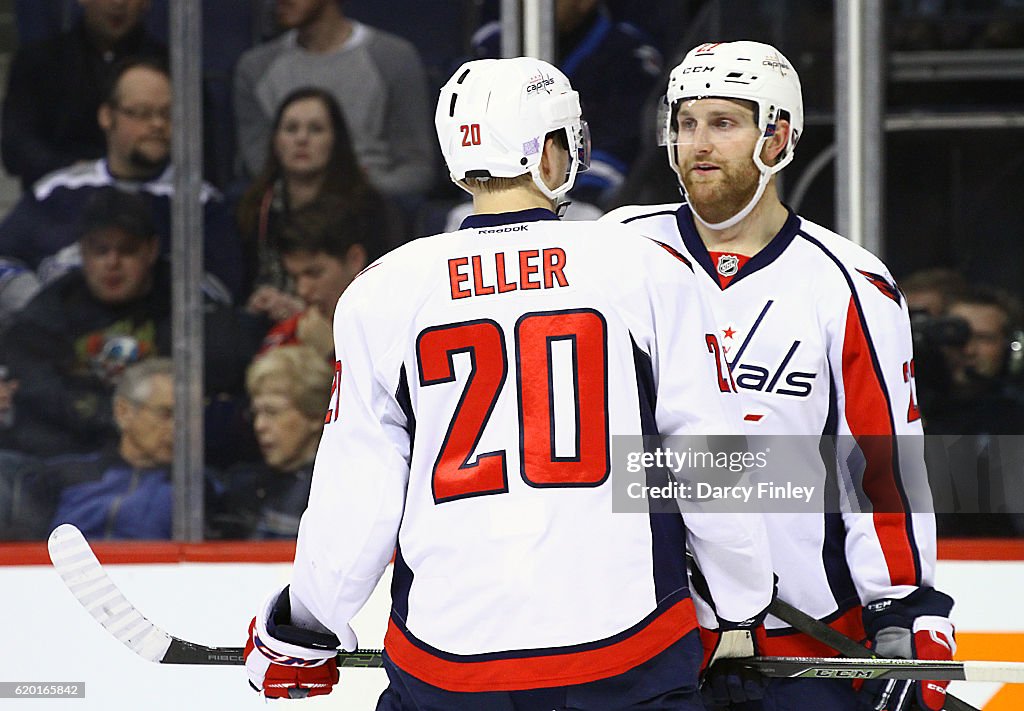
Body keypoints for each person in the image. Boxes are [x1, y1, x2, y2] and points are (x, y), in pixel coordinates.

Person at [242, 56, 775, 708]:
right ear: (551, 152)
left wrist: (305, 623)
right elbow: (707, 460)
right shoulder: (643, 265)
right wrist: (739, 599)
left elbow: (359, 488)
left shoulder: (384, 289)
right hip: (626, 653)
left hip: (449, 665)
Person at [604, 41, 955, 711]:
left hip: (803, 643)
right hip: (645, 641)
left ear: (779, 134)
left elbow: (880, 466)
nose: (697, 144)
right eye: (686, 122)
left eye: (723, 122)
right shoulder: (616, 251)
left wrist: (905, 608)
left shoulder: (849, 283)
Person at [0, 187, 259, 458]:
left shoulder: (186, 304)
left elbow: (222, 375)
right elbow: (31, 382)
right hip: (68, 458)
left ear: (151, 250)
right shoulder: (53, 307)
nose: (113, 263)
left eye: (127, 250)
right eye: (100, 251)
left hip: (167, 462)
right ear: (83, 252)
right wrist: (105, 415)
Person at [0, 57, 244, 300]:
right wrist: (40, 308)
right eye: (141, 113)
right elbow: (5, 260)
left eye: (167, 113)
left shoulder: (201, 203)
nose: (158, 124)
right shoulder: (55, 191)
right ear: (107, 116)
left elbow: (222, 289)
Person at [233, 0, 435, 203]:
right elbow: (260, 166)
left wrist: (356, 189)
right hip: (287, 209)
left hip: (373, 207)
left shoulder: (393, 58)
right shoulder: (255, 68)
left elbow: (416, 169)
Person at [471, 0, 663, 208]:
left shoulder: (626, 52)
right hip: (497, 191)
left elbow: (623, 139)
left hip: (593, 201)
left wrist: (588, 196)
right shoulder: (493, 44)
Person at [12, 358, 223, 540]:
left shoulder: (199, 488)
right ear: (123, 412)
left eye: (189, 416)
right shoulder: (60, 477)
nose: (179, 428)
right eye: (166, 414)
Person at [237, 86, 393, 320]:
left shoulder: (369, 209)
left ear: (335, 140)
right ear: (276, 141)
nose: (301, 139)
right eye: (291, 129)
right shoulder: (253, 206)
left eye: (316, 129)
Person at [2, 0, 166, 191]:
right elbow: (17, 148)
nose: (118, 3)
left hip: (151, 197)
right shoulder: (38, 61)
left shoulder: (171, 68)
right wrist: (78, 171)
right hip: (59, 202)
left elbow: (199, 152)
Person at [214, 346, 332, 539]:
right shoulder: (241, 487)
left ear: (314, 416)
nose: (260, 425)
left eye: (272, 412)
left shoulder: (337, 492)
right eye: (256, 413)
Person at [258, 197, 385, 359]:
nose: (302, 290)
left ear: (355, 260)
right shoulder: (285, 337)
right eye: (294, 277)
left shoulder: (392, 327)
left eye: (314, 273)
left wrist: (333, 353)